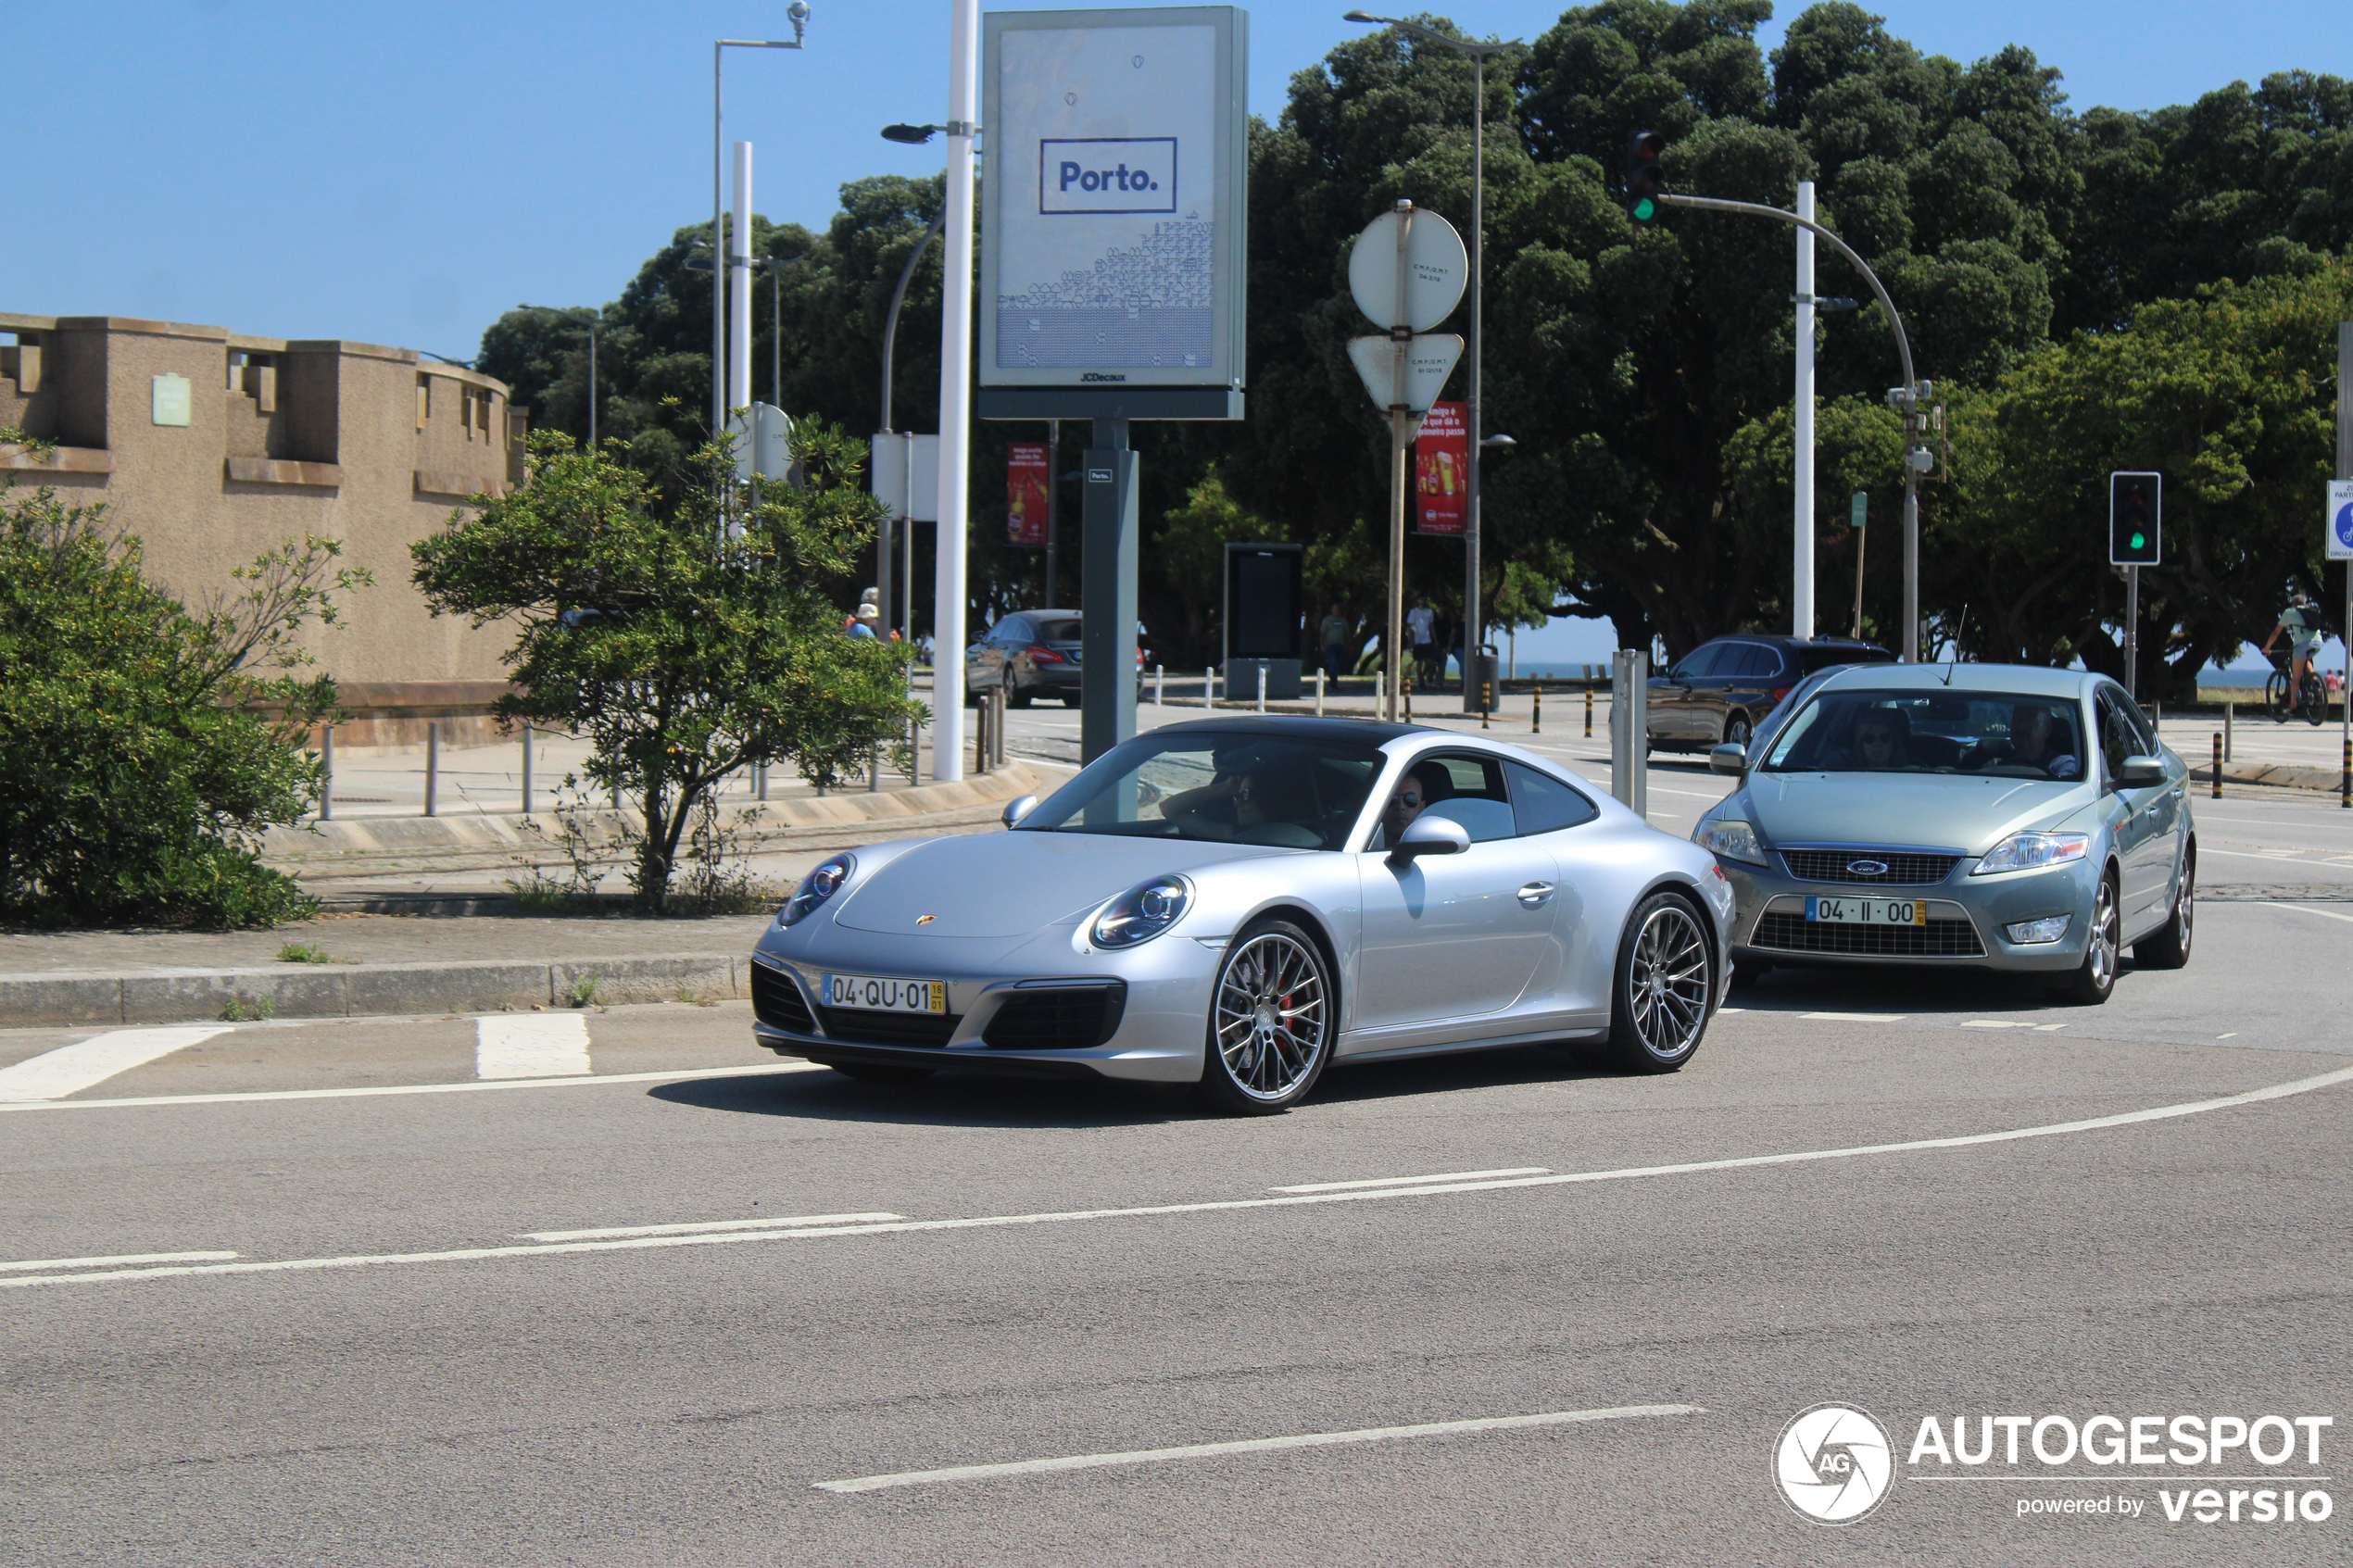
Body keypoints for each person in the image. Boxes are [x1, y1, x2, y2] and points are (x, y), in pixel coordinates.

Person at [2264, 590, 2326, 703]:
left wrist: (2267, 648)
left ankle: (2292, 707)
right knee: (2305, 660)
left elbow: (2276, 633)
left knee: (2296, 677)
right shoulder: (2311, 611)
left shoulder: (2290, 612)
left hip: (2302, 644)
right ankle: (2315, 683)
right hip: (2318, 643)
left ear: (2293, 604)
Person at [1375, 760, 1448, 847]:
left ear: (1421, 807)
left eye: (1410, 800)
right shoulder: (1358, 844)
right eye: (1392, 799)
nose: (1401, 806)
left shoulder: (1432, 852)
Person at [2007, 703, 2082, 781]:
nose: (2021, 725)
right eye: (2016, 718)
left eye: (2029, 719)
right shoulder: (2000, 761)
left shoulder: (2063, 764)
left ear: (2047, 731)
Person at [1406, 600, 1437, 688]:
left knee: (1429, 662)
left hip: (1427, 640)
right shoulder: (1414, 612)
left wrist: (1435, 639)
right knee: (1419, 661)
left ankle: (1421, 675)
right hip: (1417, 641)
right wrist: (1412, 641)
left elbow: (1431, 626)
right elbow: (1410, 626)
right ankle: (1420, 682)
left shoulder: (1429, 612)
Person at [1320, 604, 1351, 680]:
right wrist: (1322, 644)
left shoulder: (1343, 621)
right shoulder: (1327, 620)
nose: (1337, 610)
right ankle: (1332, 682)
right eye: (1335, 609)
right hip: (1330, 645)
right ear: (1332, 610)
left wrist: (1350, 644)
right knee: (1332, 662)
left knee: (1337, 664)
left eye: (1338, 609)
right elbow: (1323, 633)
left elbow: (1347, 633)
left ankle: (1335, 681)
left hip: (1340, 645)